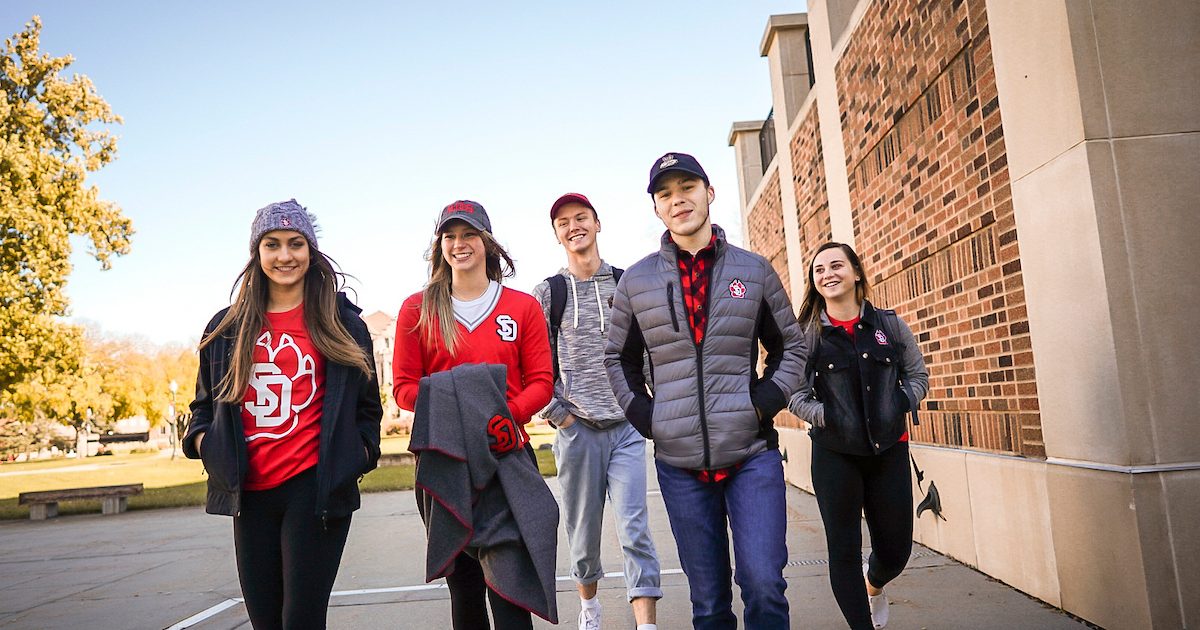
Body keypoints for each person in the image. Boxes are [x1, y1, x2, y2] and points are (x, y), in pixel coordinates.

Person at [605, 153, 806, 629]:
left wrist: (760, 406)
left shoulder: (753, 271)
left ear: (709, 193)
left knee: (762, 584)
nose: (679, 201)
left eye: (687, 188)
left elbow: (791, 348)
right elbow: (619, 358)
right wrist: (649, 419)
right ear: (657, 208)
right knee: (710, 601)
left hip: (751, 452)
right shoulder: (637, 281)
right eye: (666, 194)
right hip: (679, 464)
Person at [183, 199, 383, 630]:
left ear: (311, 252)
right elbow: (201, 409)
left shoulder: (342, 324)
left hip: (314, 490)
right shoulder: (225, 329)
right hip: (249, 492)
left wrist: (359, 454)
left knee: (302, 620)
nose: (285, 255)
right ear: (257, 253)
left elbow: (369, 408)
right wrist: (207, 446)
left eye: (296, 244)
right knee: (265, 621)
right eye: (272, 244)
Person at [392, 200, 556, 630]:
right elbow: (405, 387)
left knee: (510, 585)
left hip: (506, 457)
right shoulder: (417, 308)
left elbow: (541, 380)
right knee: (464, 587)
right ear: (439, 245)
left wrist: (507, 416)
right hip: (446, 460)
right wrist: (458, 416)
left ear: (488, 243)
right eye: (450, 236)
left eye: (468, 235)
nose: (459, 244)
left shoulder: (521, 307)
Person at [533, 193, 662, 630]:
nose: (574, 226)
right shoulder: (548, 293)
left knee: (635, 528)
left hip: (625, 427)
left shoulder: (627, 283)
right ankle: (589, 606)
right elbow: (534, 365)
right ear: (557, 234)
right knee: (583, 537)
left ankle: (646, 623)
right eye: (564, 222)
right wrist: (558, 414)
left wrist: (649, 409)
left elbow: (646, 354)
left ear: (597, 224)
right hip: (576, 431)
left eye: (581, 218)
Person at [788, 241, 929, 629]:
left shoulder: (889, 325)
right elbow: (795, 394)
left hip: (889, 452)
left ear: (856, 273)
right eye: (819, 270)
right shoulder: (808, 334)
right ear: (814, 283)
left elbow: (917, 376)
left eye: (836, 266)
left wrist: (898, 401)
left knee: (896, 549)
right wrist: (826, 416)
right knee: (844, 549)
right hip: (835, 454)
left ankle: (876, 582)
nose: (828, 274)